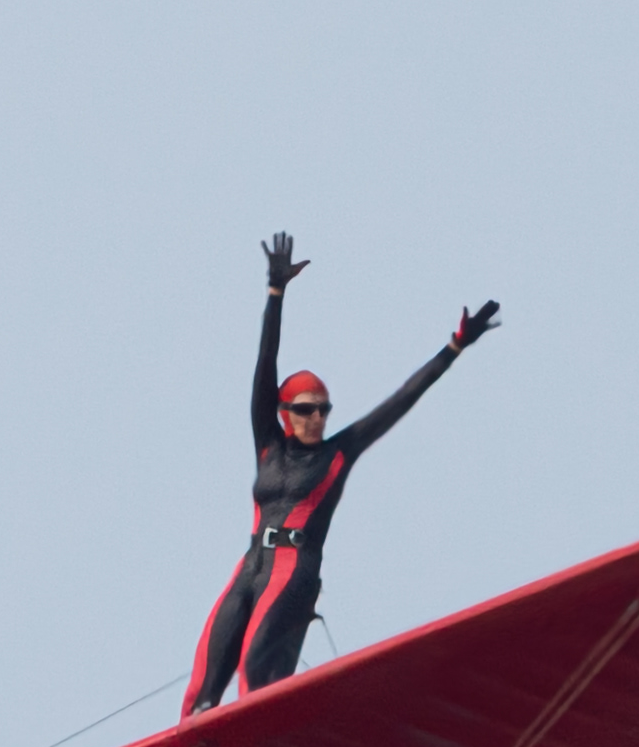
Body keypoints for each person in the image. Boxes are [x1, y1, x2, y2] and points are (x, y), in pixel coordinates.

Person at [182, 232, 500, 715]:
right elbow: (263, 368)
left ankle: (262, 739)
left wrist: (453, 348)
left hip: (294, 570)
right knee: (203, 686)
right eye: (307, 410)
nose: (318, 419)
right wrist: (276, 293)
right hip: (249, 567)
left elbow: (401, 400)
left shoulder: (338, 452)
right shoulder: (267, 444)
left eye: (324, 410)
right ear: (286, 412)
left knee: (256, 673)